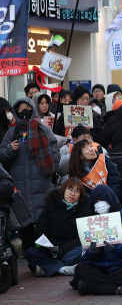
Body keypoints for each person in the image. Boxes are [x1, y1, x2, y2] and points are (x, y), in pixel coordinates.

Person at [0, 97, 61, 251]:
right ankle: (30, 257)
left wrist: (51, 168)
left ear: (33, 109)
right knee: (25, 227)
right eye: (20, 109)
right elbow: (2, 155)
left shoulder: (44, 130)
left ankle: (43, 257)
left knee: (42, 225)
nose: (24, 111)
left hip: (41, 184)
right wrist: (10, 150)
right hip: (20, 186)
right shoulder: (12, 132)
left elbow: (55, 151)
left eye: (27, 108)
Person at [71, 185, 122, 296]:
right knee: (80, 268)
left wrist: (118, 248)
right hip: (100, 267)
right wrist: (92, 253)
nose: (99, 206)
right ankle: (121, 289)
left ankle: (92, 287)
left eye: (102, 201)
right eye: (96, 203)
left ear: (111, 201)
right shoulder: (90, 224)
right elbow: (84, 257)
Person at [25, 178, 91, 277]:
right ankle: (62, 269)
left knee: (85, 250)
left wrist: (62, 250)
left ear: (80, 195)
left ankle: (47, 267)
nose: (72, 193)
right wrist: (48, 248)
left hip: (69, 250)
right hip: (49, 250)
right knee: (31, 252)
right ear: (63, 190)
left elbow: (82, 238)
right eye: (70, 189)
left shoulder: (84, 212)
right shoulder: (50, 206)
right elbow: (40, 229)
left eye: (77, 191)